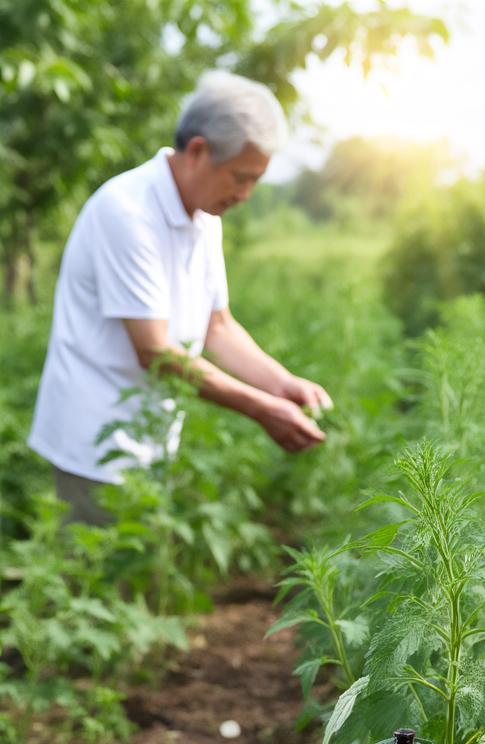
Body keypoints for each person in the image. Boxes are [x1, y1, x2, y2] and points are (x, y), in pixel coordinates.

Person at [28, 71, 330, 525]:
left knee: (141, 576)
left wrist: (279, 383)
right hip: (94, 439)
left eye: (255, 182)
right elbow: (154, 351)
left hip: (151, 430)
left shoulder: (205, 216)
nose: (245, 195)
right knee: (99, 580)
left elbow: (217, 326)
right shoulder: (127, 211)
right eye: (241, 178)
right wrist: (260, 408)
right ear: (198, 152)